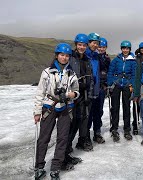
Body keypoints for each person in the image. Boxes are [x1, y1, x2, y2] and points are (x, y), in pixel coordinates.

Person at [33, 43, 79, 180]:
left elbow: (77, 91)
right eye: (62, 55)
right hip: (49, 106)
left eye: (67, 56)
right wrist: (37, 111)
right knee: (43, 138)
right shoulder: (47, 72)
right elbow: (40, 93)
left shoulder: (72, 73)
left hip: (66, 107)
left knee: (62, 139)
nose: (64, 58)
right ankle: (39, 166)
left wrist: (72, 95)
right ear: (57, 55)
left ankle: (55, 168)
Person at [63, 34, 93, 170]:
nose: (82, 47)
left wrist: (89, 93)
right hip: (71, 95)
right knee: (70, 123)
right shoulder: (71, 57)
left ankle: (68, 149)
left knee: (79, 120)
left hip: (83, 95)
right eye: (80, 44)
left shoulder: (86, 59)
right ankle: (64, 153)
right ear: (76, 45)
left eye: (84, 45)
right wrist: (76, 86)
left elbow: (90, 76)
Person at [107, 40, 137, 142]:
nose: (125, 50)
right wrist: (111, 83)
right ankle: (114, 128)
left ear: (129, 49)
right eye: (124, 48)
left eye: (127, 48)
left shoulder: (133, 61)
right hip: (116, 84)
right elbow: (110, 71)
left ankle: (127, 129)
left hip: (127, 85)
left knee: (126, 107)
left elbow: (134, 74)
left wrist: (131, 84)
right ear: (121, 49)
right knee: (115, 107)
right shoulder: (116, 60)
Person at [87, 37, 110, 144]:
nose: (101, 49)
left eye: (103, 47)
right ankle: (85, 134)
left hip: (101, 87)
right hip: (90, 88)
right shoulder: (91, 56)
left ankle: (97, 133)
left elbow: (108, 72)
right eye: (99, 47)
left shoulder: (106, 58)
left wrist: (106, 84)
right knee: (89, 112)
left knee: (98, 111)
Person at [132, 42, 143, 135]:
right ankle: (135, 124)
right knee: (136, 103)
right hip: (137, 83)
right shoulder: (136, 58)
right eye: (141, 48)